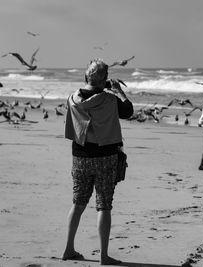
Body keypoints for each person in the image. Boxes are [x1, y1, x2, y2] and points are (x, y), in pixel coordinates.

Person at [63, 59, 133, 265]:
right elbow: (128, 112)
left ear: (86, 77)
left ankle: (68, 249)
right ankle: (103, 256)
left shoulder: (72, 99)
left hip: (80, 157)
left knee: (78, 203)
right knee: (104, 206)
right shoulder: (110, 100)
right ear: (105, 80)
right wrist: (119, 91)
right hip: (106, 156)